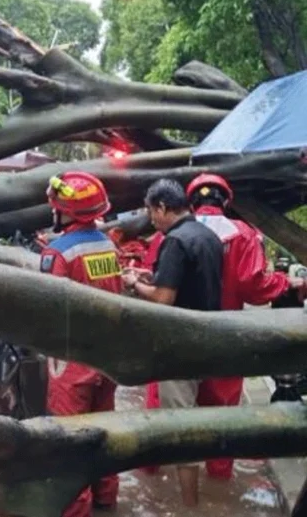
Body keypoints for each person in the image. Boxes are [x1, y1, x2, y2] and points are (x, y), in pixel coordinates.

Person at [142, 173, 307, 479]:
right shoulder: (243, 233)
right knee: (223, 423)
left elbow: (155, 276)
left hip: (177, 339)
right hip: (226, 339)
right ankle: (219, 486)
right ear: (227, 200)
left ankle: (153, 475)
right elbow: (255, 286)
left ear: (190, 201)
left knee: (164, 419)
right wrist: (288, 282)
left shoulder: (171, 234)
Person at [122, 179, 223, 507]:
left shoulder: (175, 241)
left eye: (152, 212)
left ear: (164, 207)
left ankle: (190, 508)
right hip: (208, 338)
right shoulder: (208, 236)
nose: (151, 219)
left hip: (179, 345)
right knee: (198, 419)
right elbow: (190, 283)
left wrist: (135, 285)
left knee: (182, 431)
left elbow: (164, 300)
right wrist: (155, 278)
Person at [40, 172, 122, 516]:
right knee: (104, 433)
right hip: (107, 356)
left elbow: (46, 308)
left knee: (69, 441)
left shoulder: (57, 254)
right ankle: (106, 499)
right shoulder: (108, 245)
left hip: (71, 362)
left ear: (65, 211)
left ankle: (76, 510)